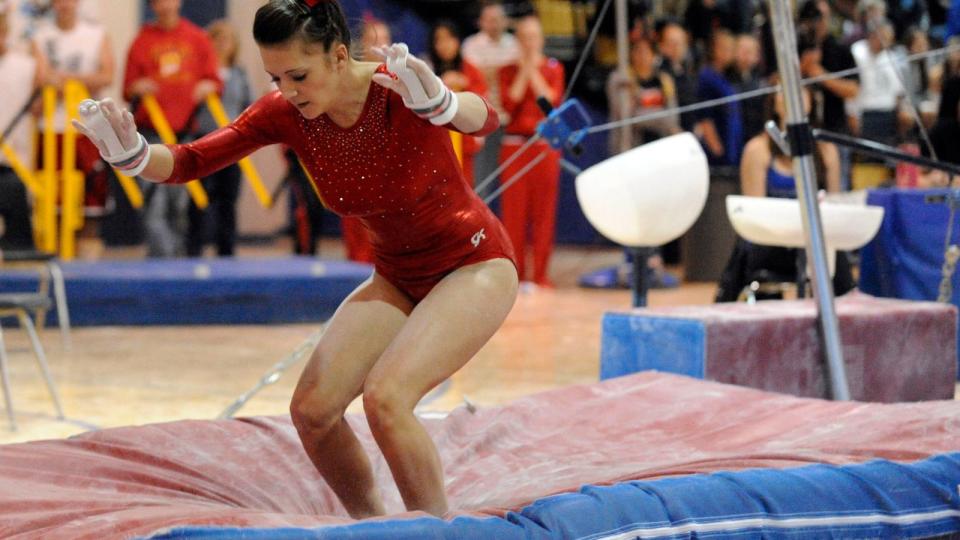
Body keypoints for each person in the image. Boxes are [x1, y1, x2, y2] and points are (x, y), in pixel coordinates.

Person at [74, 0, 517, 518]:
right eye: (275, 76)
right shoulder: (284, 113)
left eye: (298, 75)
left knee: (387, 400)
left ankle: (438, 534)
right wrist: (134, 156)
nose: (287, 90)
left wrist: (443, 103)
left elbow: (488, 117)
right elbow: (192, 160)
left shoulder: (398, 89)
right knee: (313, 412)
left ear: (337, 55)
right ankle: (372, 525)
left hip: (473, 264)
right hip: (398, 275)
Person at [715, 88, 855, 302]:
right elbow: (753, 214)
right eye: (785, 91)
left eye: (801, 91)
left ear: (810, 102)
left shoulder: (826, 150)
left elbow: (834, 205)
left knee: (835, 257)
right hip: (772, 240)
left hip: (812, 241)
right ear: (774, 102)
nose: (792, 96)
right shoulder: (757, 149)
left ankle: (843, 317)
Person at [123, 0, 221, 257]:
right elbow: (128, 87)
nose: (165, 5)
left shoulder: (197, 38)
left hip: (185, 133)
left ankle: (177, 265)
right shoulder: (141, 41)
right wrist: (139, 87)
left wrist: (208, 86)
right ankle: (162, 264)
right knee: (154, 204)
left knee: (180, 206)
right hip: (151, 134)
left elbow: (214, 80)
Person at [498, 14, 564, 288]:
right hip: (514, 145)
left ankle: (540, 275)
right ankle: (516, 273)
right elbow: (509, 103)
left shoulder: (554, 67)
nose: (528, 42)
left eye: (533, 37)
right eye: (523, 37)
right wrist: (523, 69)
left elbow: (550, 102)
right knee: (513, 213)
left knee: (543, 213)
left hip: (543, 146)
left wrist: (532, 69)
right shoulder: (506, 70)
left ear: (541, 40)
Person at [32, 0, 114, 214]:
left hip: (88, 129)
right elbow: (41, 79)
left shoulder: (96, 34)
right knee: (53, 207)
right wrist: (82, 81)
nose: (64, 4)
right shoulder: (41, 36)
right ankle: (54, 248)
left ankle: (86, 247)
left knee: (91, 206)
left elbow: (107, 76)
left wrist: (64, 80)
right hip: (52, 129)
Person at [186, 20, 252, 257]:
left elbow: (249, 105)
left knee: (228, 199)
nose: (222, 45)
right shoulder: (198, 73)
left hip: (233, 142)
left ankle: (227, 252)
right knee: (200, 198)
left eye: (228, 39)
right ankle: (194, 250)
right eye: (217, 39)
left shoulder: (239, 74)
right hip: (203, 139)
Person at [462, 0, 518, 199]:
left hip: (510, 121)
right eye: (489, 20)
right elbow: (475, 80)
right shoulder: (471, 45)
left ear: (505, 21)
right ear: (481, 22)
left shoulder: (515, 45)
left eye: (497, 20)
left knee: (512, 182)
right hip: (483, 120)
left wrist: (492, 72)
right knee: (481, 177)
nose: (493, 24)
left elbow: (510, 78)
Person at [0, 4, 42, 250]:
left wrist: (36, 42)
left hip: (15, 160)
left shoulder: (24, 65)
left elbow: (45, 78)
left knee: (19, 232)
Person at [427, 19, 488, 186]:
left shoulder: (470, 70)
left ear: (457, 41)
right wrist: (441, 85)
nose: (444, 45)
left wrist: (465, 85)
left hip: (465, 144)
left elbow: (482, 104)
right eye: (439, 40)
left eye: (449, 39)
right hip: (436, 146)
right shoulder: (426, 70)